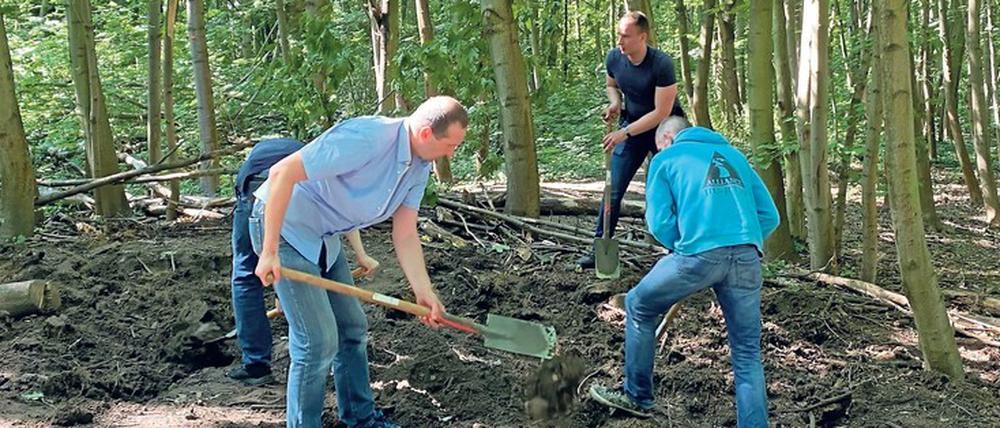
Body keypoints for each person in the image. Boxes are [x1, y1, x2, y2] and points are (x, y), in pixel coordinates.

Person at [250, 96, 468, 428]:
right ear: (426, 133)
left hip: (324, 236)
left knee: (352, 328)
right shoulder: (367, 138)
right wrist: (268, 252)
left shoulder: (419, 167)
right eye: (450, 145)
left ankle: (360, 418)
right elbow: (282, 172)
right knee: (317, 341)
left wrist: (423, 291)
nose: (450, 154)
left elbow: (405, 232)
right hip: (285, 230)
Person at [589, 116, 778, 428]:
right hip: (747, 257)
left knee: (638, 304)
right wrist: (743, 242)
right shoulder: (735, 156)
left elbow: (659, 222)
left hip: (697, 255)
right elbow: (769, 215)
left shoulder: (666, 159)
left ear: (666, 138)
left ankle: (637, 395)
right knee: (746, 353)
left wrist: (681, 245)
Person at [228, 138, 380, 386]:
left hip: (266, 194)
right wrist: (360, 254)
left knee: (246, 276)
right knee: (261, 267)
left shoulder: (313, 164)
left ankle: (256, 365)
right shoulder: (320, 165)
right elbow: (339, 213)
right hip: (265, 193)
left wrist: (285, 289)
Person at [578, 10, 687, 269]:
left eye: (626, 36)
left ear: (642, 37)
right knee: (612, 189)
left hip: (666, 131)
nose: (620, 41)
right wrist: (615, 103)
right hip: (632, 126)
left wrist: (623, 133)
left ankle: (681, 251)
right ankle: (600, 249)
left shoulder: (661, 64)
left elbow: (661, 112)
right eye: (619, 34)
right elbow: (611, 85)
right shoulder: (614, 58)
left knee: (673, 191)